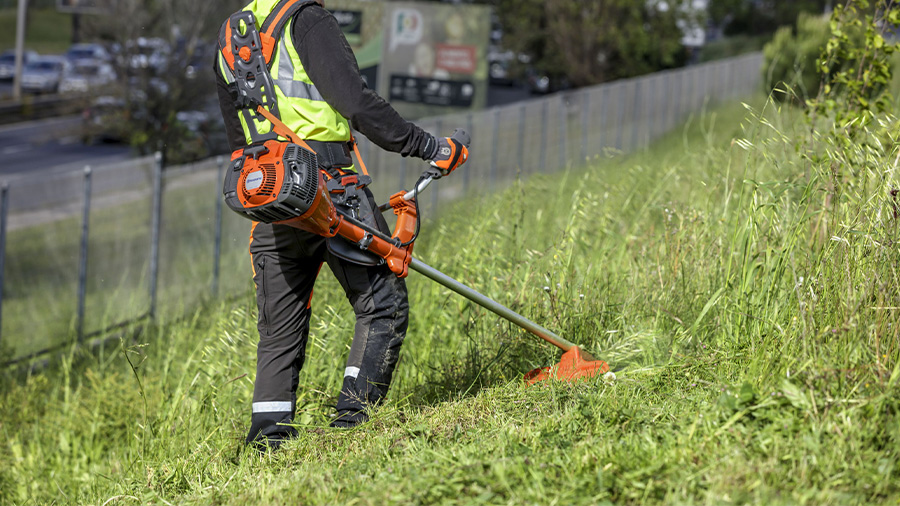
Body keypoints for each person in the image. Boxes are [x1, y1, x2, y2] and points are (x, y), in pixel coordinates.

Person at [214, 0, 469, 450]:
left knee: (279, 327)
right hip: (331, 189)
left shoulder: (230, 37)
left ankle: (267, 445)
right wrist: (429, 146)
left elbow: (240, 140)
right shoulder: (306, 19)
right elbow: (356, 102)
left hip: (272, 197)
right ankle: (352, 425)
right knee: (382, 304)